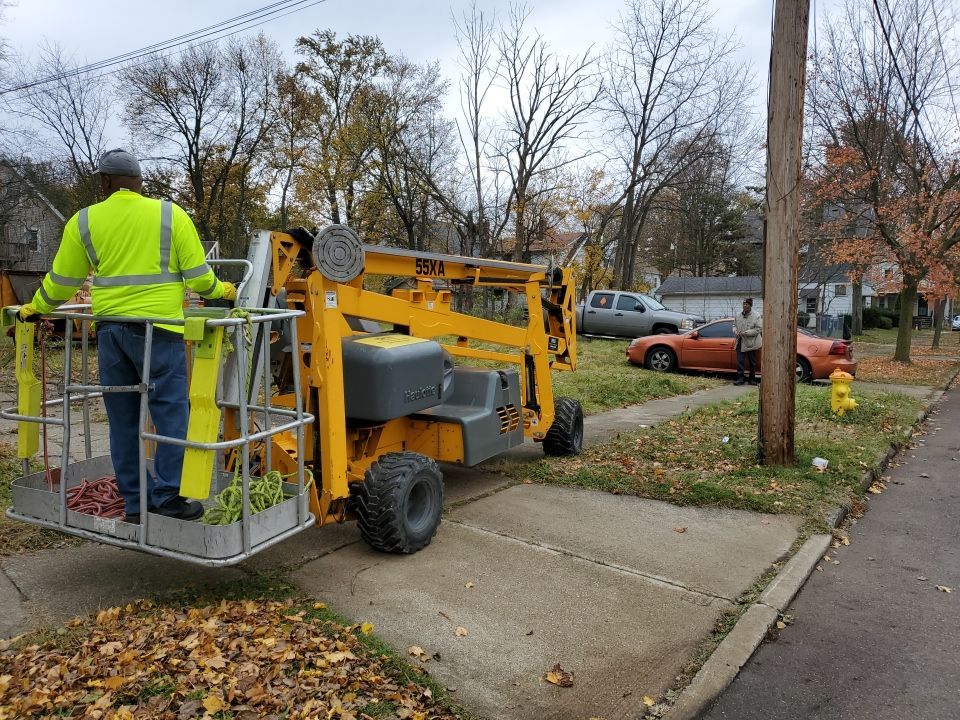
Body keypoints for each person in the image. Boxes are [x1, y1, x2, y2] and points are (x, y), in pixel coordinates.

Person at [18, 149, 237, 523]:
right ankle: (168, 498)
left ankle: (136, 504)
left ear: (104, 181)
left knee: (122, 422)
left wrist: (33, 307)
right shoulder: (169, 215)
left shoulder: (85, 221)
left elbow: (63, 282)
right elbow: (200, 279)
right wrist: (225, 292)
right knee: (171, 417)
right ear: (140, 183)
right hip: (159, 334)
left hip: (111, 335)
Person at [733, 297, 762, 386]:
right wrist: (735, 331)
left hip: (751, 342)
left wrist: (746, 333)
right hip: (740, 341)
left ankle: (752, 379)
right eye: (744, 304)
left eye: (747, 304)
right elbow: (734, 325)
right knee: (740, 362)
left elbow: (758, 329)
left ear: (750, 305)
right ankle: (740, 379)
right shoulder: (738, 315)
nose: (745, 306)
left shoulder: (756, 315)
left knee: (752, 362)